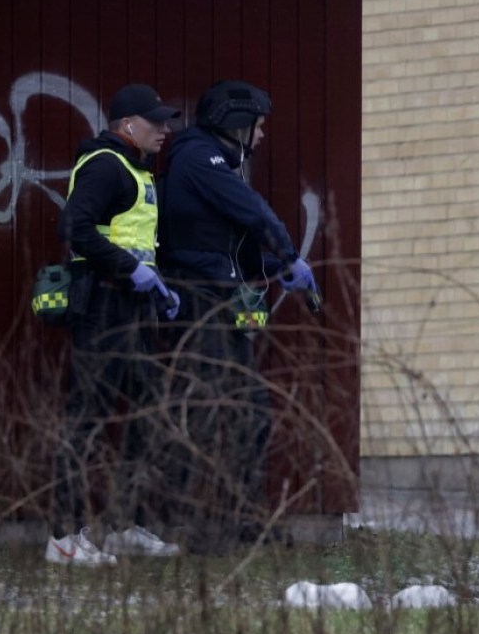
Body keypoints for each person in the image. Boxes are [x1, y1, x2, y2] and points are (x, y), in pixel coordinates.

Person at [157, 79, 317, 552]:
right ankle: (201, 528)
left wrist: (273, 269)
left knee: (250, 413)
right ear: (236, 123)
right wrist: (288, 254)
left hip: (220, 298)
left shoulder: (216, 163)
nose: (262, 136)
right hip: (199, 302)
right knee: (210, 413)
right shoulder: (197, 157)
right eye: (259, 126)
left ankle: (245, 520)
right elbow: (253, 212)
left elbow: (226, 247)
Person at [48, 83, 185, 565]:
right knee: (86, 420)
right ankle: (64, 539)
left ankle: (128, 524)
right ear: (128, 125)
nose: (165, 130)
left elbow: (134, 241)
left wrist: (158, 287)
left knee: (148, 414)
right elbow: (74, 229)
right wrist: (132, 270)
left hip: (133, 308)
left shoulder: (134, 169)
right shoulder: (106, 165)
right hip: (103, 306)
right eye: (156, 122)